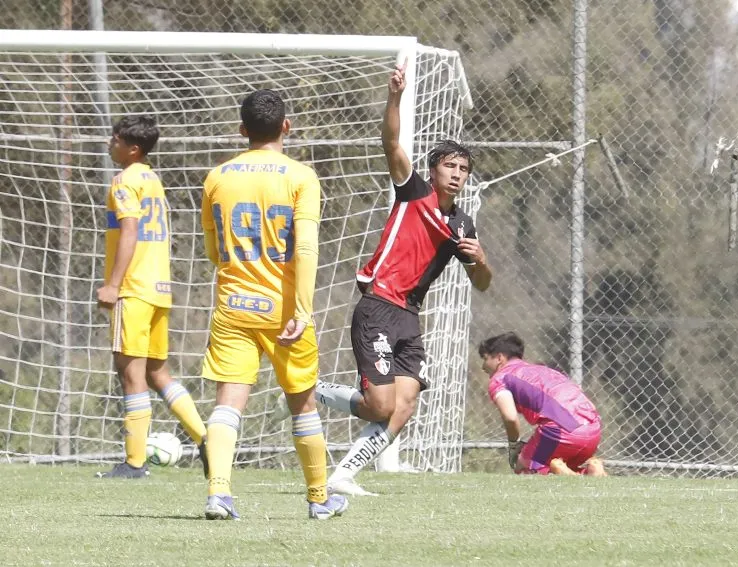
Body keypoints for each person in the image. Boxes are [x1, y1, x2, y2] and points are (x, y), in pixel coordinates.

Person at [310, 60, 492, 496]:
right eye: (449, 166)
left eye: (463, 169)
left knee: (404, 404)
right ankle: (308, 390)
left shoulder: (464, 226)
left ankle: (343, 476)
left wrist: (480, 259)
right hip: (377, 307)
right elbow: (391, 142)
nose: (456, 174)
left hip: (409, 318)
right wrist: (394, 96)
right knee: (379, 405)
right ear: (433, 171)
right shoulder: (413, 193)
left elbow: (483, 283)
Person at [199, 89, 348, 521]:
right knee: (302, 403)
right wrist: (302, 310)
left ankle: (219, 494)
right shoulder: (301, 177)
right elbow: (305, 248)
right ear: (286, 126)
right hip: (284, 312)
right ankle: (319, 499)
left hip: (233, 305)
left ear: (242, 130)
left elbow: (213, 250)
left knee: (228, 402)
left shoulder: (217, 177)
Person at [96, 115, 207, 479]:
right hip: (159, 289)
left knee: (131, 375)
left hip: (133, 289)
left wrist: (113, 284)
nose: (110, 144)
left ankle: (134, 462)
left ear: (133, 149)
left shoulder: (124, 181)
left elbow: (129, 231)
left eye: (115, 140)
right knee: (158, 372)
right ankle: (206, 439)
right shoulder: (152, 179)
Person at [479, 332, 606, 476]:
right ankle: (591, 470)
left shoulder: (500, 378)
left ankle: (556, 470)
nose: (483, 367)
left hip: (560, 432)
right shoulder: (544, 370)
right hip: (593, 431)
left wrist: (514, 445)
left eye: (485, 359)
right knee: (562, 463)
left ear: (499, 358)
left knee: (523, 467)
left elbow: (510, 417)